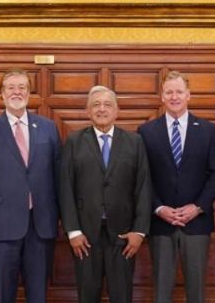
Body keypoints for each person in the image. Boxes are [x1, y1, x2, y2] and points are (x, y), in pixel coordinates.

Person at [0, 69, 61, 303]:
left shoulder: (48, 127)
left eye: (22, 87)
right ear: (2, 94)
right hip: (2, 224)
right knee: (1, 293)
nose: (17, 92)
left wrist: (65, 219)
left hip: (41, 225)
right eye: (11, 87)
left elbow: (59, 176)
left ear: (29, 93)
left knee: (38, 293)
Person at [59, 85, 151, 303]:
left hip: (123, 236)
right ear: (88, 111)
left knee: (122, 295)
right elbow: (65, 188)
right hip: (85, 236)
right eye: (96, 105)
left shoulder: (134, 142)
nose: (102, 109)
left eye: (107, 104)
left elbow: (143, 187)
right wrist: (72, 231)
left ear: (117, 111)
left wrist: (139, 232)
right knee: (87, 295)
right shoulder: (74, 141)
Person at [137, 71, 215, 303]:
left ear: (188, 95)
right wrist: (158, 208)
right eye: (169, 92)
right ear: (162, 97)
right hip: (160, 223)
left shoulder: (207, 130)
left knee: (196, 292)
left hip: (196, 222)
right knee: (161, 291)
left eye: (179, 92)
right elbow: (142, 178)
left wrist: (198, 207)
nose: (174, 96)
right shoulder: (146, 131)